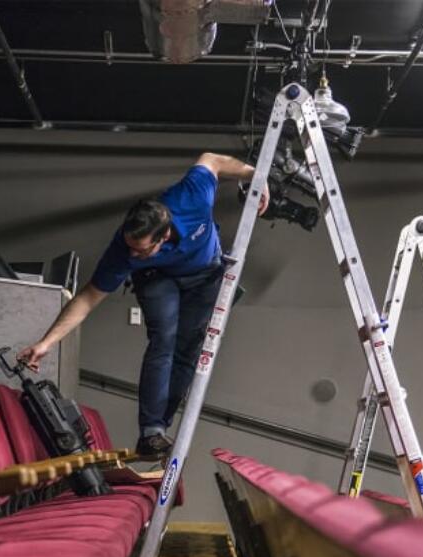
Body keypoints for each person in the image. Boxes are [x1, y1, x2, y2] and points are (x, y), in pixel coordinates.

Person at [18, 153, 268, 459]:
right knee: (164, 337)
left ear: (164, 235)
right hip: (156, 278)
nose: (133, 255)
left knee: (188, 349)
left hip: (204, 277)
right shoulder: (124, 252)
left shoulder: (191, 197)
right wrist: (46, 342)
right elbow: (86, 298)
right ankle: (151, 432)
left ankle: (161, 426)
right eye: (131, 248)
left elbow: (211, 160)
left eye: (142, 249)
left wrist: (257, 176)